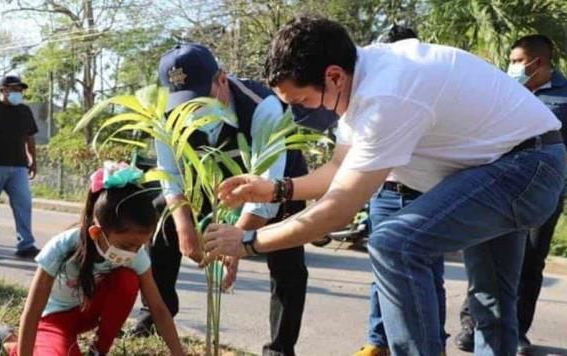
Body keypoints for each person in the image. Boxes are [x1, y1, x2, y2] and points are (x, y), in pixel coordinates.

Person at [203, 16, 565, 355]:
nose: (299, 114)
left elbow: (338, 208)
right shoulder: (359, 78)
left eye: (301, 102)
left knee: (396, 244)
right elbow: (338, 168)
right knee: (493, 301)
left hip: (527, 166)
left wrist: (248, 241)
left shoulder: (386, 94)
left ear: (333, 76)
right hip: (495, 164)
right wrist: (276, 189)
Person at [132, 43, 309, 356]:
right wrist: (185, 230)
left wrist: (235, 245)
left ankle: (280, 347)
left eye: (201, 99)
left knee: (287, 258)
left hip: (276, 185)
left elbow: (265, 192)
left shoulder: (262, 106)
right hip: (209, 182)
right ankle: (156, 315)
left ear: (222, 80)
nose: (192, 111)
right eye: (183, 103)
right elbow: (170, 175)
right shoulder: (166, 115)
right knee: (162, 218)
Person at [0, 162, 184, 356]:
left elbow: (158, 309)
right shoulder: (62, 247)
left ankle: (98, 351)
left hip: (89, 315)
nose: (134, 252)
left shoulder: (135, 255)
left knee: (128, 279)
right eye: (126, 246)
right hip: (55, 319)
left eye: (140, 246)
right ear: (96, 232)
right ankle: (9, 340)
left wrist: (179, 353)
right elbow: (33, 311)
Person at [455, 34, 567, 355]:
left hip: (544, 193)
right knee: (486, 257)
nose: (513, 67)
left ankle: (518, 331)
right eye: (512, 60)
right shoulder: (501, 88)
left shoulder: (565, 95)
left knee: (530, 263)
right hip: (497, 187)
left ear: (539, 63)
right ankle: (472, 324)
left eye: (518, 61)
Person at [354, 25, 447, 356]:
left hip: (426, 193)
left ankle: (432, 342)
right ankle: (377, 341)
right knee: (383, 270)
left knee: (427, 275)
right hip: (386, 192)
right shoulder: (371, 95)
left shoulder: (423, 89)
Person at [0, 75, 40, 258]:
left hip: (19, 166)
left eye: (20, 90)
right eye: (14, 89)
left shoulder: (25, 111)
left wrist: (33, 160)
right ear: (2, 90)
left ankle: (26, 245)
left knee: (24, 204)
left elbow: (30, 136)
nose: (18, 93)